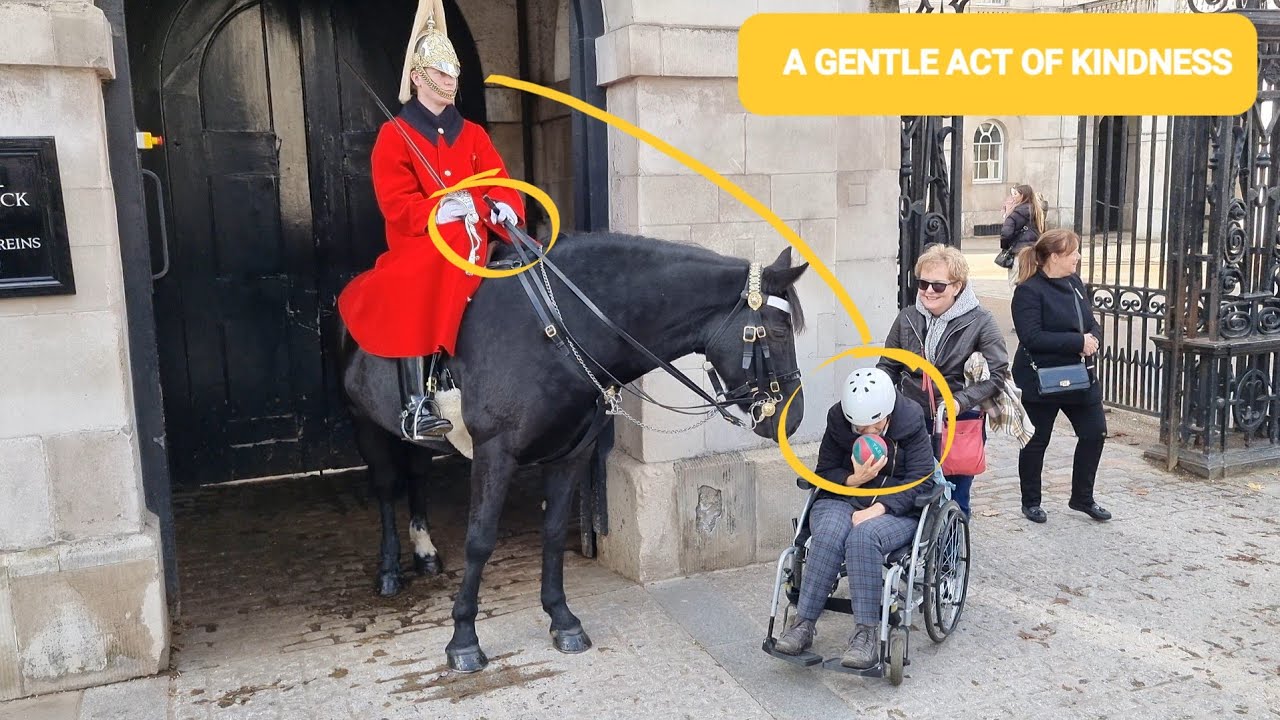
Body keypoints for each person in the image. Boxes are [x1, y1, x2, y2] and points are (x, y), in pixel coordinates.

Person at [337, 0, 525, 443]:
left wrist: (502, 206)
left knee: (527, 262)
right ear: (419, 77)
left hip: (479, 234)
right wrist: (438, 210)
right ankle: (417, 401)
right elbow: (395, 202)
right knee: (418, 278)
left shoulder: (474, 134)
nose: (451, 81)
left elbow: (497, 180)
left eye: (454, 73)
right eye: (442, 74)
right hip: (424, 240)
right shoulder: (395, 135)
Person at [773, 368, 936, 669]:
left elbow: (921, 482)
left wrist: (879, 508)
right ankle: (803, 623)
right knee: (831, 532)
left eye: (873, 426)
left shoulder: (911, 421)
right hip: (843, 497)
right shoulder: (839, 419)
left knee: (864, 536)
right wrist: (852, 479)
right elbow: (824, 472)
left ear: (887, 414)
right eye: (859, 429)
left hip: (894, 508)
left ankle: (866, 634)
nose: (865, 433)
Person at [877, 244, 1009, 518]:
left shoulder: (981, 321)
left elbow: (998, 375)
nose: (927, 291)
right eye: (923, 283)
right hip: (910, 418)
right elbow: (888, 365)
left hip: (957, 418)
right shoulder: (907, 318)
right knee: (910, 491)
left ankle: (951, 553)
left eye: (938, 286)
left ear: (957, 286)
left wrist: (958, 402)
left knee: (956, 496)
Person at [1010, 228, 1111, 524]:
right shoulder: (1028, 291)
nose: (1078, 257)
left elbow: (1091, 321)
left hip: (1079, 376)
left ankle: (1082, 497)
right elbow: (1032, 337)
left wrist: (1092, 338)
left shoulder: (1076, 283)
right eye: (1073, 252)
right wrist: (1077, 342)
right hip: (1041, 378)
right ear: (1054, 257)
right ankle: (1031, 502)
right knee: (1037, 441)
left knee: (1094, 433)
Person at [1001, 184, 1045, 287]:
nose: (1013, 197)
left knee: (1014, 284)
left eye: (1016, 194)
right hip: (1034, 254)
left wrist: (1006, 247)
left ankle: (1018, 303)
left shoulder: (1015, 213)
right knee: (1032, 284)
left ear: (1022, 196)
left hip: (1018, 253)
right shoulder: (1038, 213)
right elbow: (1042, 233)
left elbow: (1006, 234)